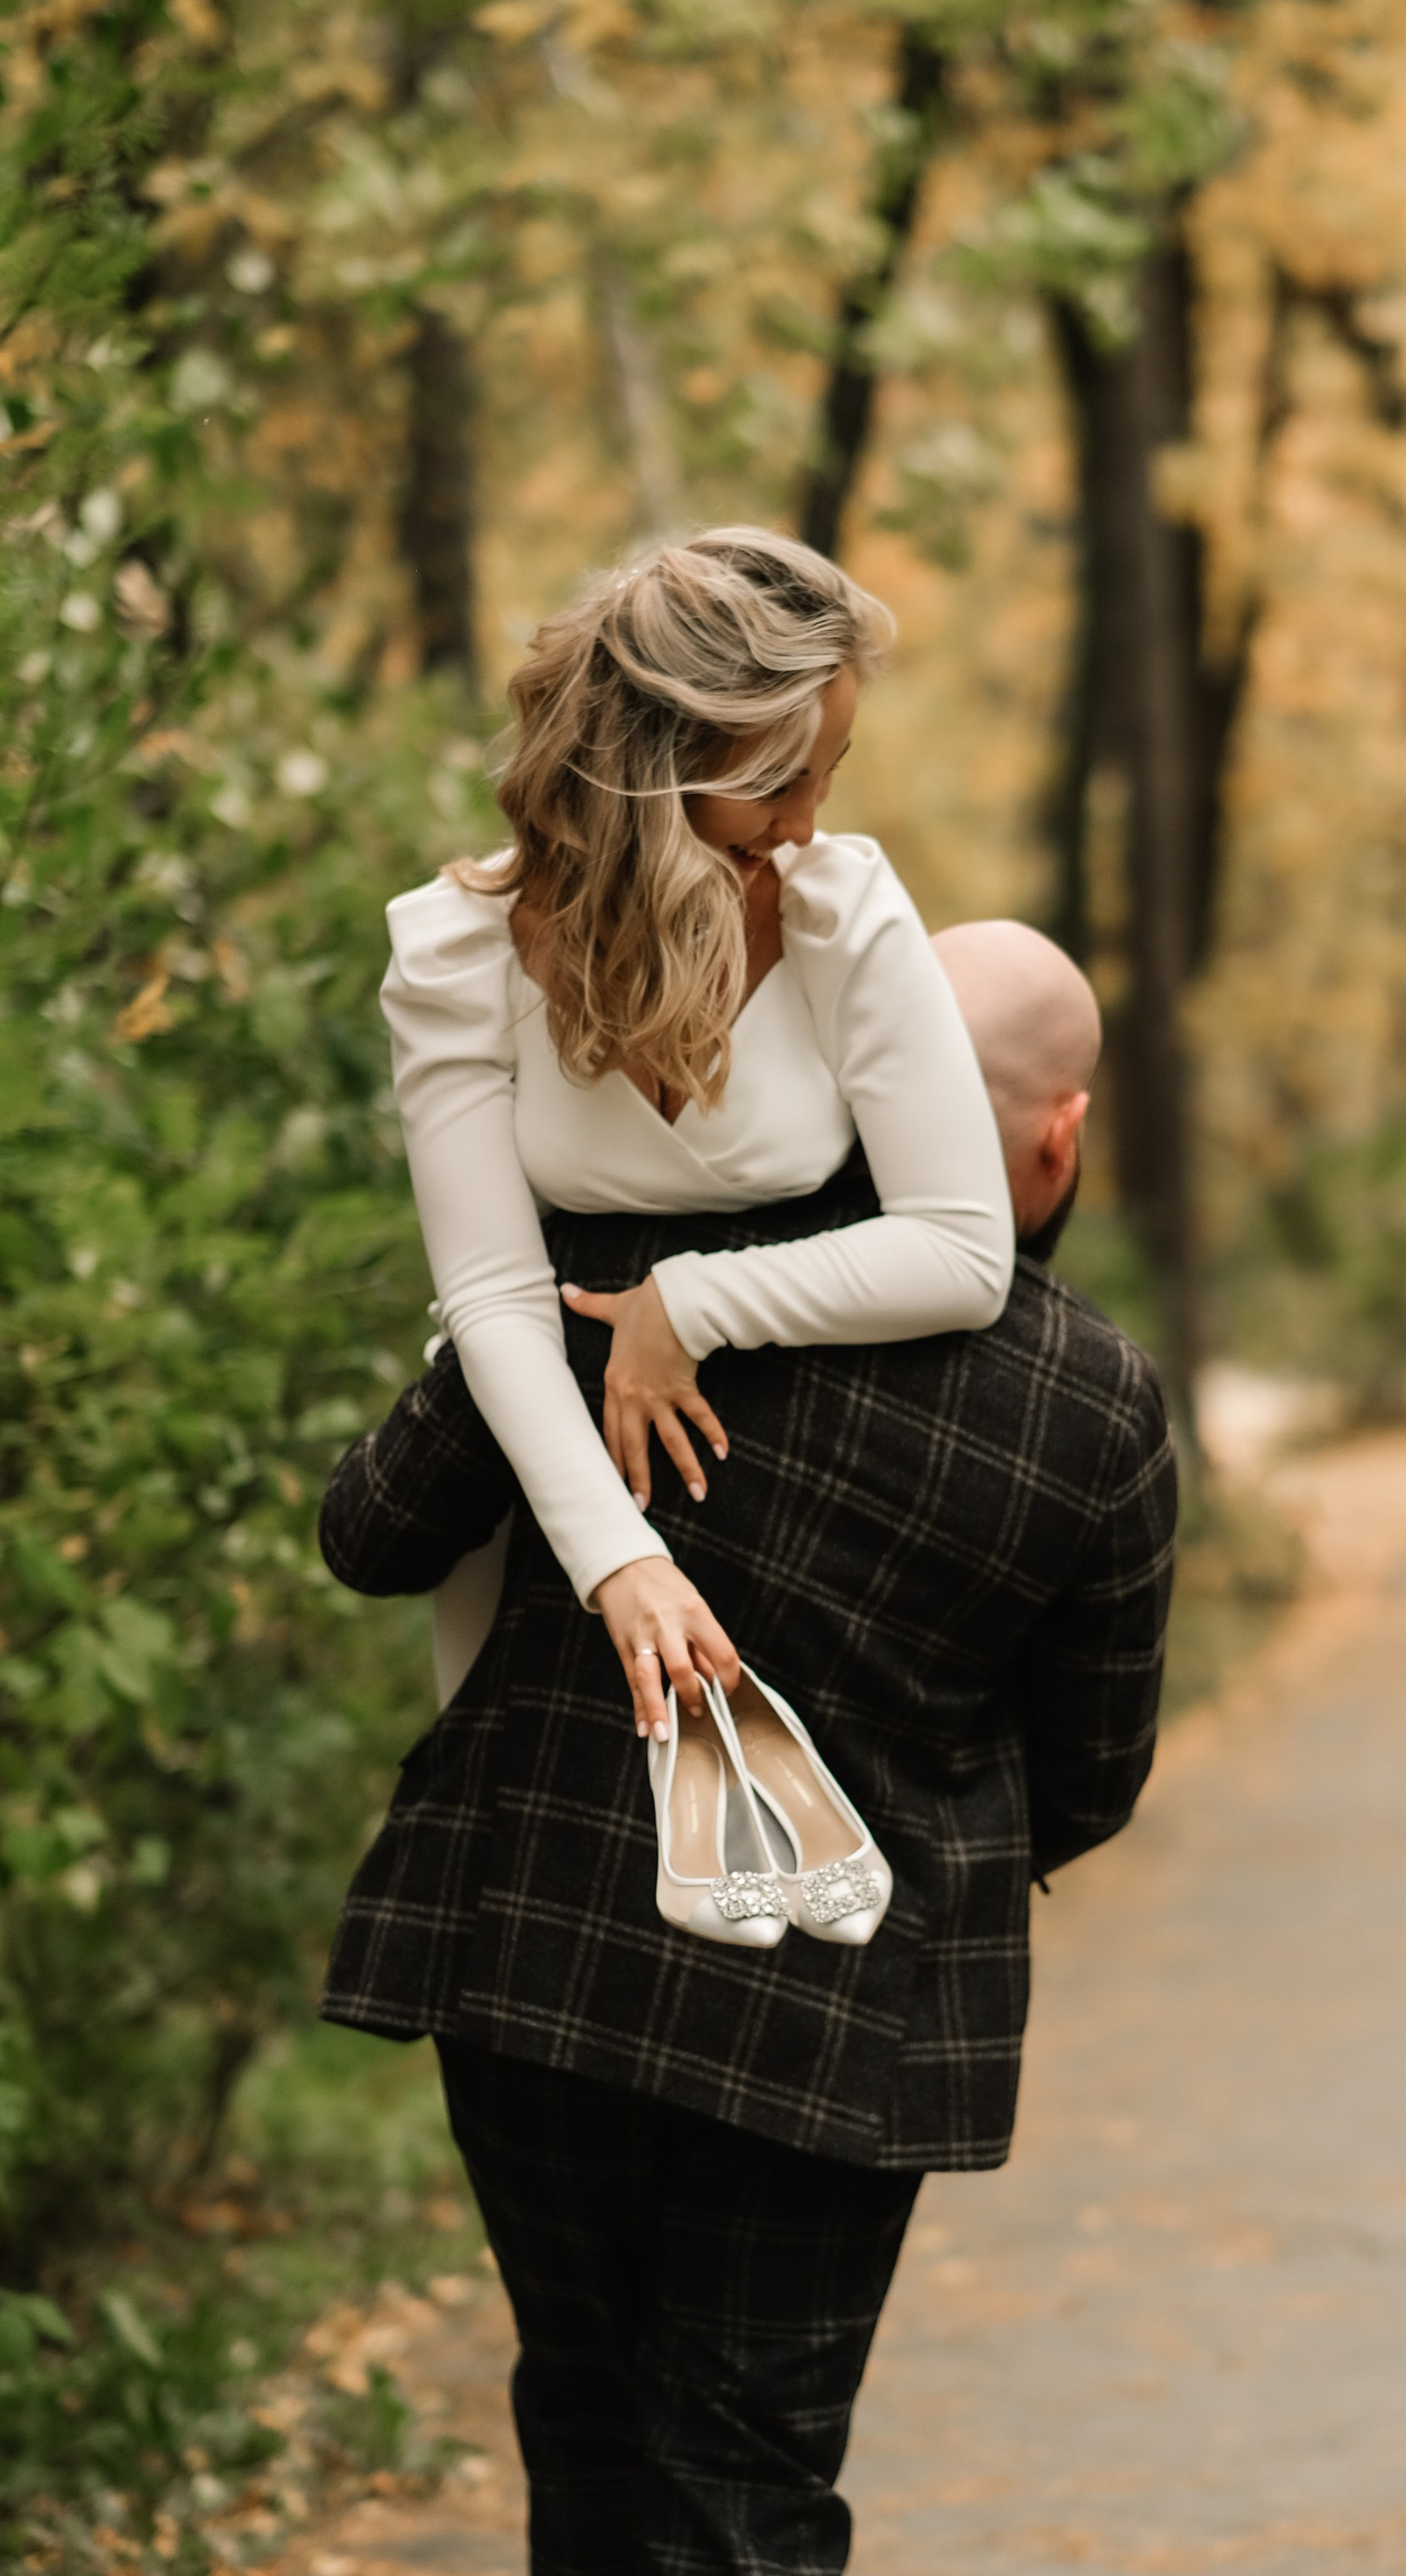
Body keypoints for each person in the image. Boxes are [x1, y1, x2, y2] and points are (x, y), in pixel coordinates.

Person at [319, 921, 1176, 2576]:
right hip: (840, 2023)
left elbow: (372, 1529)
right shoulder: (1089, 1406)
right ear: (1054, 1139)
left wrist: (524, 1324)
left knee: (591, 2433)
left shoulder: (625, 1260)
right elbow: (1088, 1770)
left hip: (546, 1955)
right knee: (747, 2497)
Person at [380, 523, 1014, 1759]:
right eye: (778, 782)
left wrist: (694, 1301)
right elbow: (494, 1294)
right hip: (553, 1489)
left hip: (795, 1485)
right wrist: (618, 1564)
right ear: (653, 773)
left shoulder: (845, 912)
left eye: (830, 771)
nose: (807, 821)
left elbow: (963, 1247)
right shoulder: (455, 954)